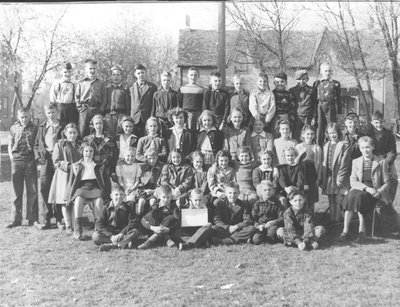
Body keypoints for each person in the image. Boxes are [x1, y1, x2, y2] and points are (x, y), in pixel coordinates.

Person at [339, 136, 389, 242]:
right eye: (362, 148)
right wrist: (366, 188)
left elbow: (387, 182)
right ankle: (346, 230)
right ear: (359, 149)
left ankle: (360, 229)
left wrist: (378, 191)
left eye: (367, 147)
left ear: (372, 147)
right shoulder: (356, 161)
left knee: (356, 196)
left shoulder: (381, 162)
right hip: (361, 188)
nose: (365, 150)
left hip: (374, 192)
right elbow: (353, 181)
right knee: (352, 195)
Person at [7, 106, 39, 228]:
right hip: (17, 160)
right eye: (22, 117)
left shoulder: (35, 128)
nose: (24, 119)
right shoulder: (13, 128)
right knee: (16, 191)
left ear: (29, 116)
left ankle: (33, 219)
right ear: (18, 117)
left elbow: (37, 144)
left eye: (26, 117)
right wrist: (11, 157)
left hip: (30, 160)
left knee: (32, 191)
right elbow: (10, 144)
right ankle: (15, 219)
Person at [34, 103, 64, 229]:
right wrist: (39, 161)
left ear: (57, 112)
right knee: (44, 188)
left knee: (58, 188)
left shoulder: (63, 126)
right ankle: (46, 218)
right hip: (45, 160)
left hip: (59, 160)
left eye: (53, 112)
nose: (51, 115)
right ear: (46, 114)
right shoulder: (42, 127)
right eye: (48, 113)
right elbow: (36, 145)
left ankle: (58, 218)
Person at [48, 123, 81, 234]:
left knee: (75, 200)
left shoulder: (80, 145)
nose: (72, 135)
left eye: (74, 133)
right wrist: (69, 166)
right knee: (65, 201)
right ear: (65, 133)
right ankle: (68, 225)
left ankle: (75, 224)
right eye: (70, 133)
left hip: (77, 175)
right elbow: (56, 161)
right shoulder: (60, 145)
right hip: (64, 175)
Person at [68, 142, 106, 240]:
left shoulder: (99, 165)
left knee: (99, 201)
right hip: (82, 188)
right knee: (78, 200)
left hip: (95, 187)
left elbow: (105, 181)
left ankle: (98, 228)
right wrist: (68, 196)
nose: (88, 153)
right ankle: (78, 230)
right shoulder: (77, 165)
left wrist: (107, 193)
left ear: (94, 153)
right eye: (86, 151)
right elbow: (72, 182)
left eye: (91, 151)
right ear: (82, 152)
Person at [92, 185, 141, 251]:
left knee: (135, 232)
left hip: (122, 232)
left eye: (121, 194)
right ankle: (124, 243)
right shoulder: (105, 207)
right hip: (110, 232)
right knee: (95, 236)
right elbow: (99, 224)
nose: (119, 197)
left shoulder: (128, 207)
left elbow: (132, 222)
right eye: (116, 195)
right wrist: (110, 236)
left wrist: (121, 233)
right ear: (111, 196)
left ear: (124, 196)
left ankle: (114, 245)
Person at [83, 114, 118, 199]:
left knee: (105, 193)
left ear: (104, 124)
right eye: (96, 124)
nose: (98, 126)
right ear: (93, 125)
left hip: (105, 169)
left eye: (100, 123)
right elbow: (84, 155)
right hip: (92, 169)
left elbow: (114, 156)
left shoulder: (109, 139)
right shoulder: (87, 139)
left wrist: (112, 170)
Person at [321, 122, 351, 222]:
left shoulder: (344, 145)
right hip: (329, 178)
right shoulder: (326, 145)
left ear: (338, 132)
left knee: (338, 200)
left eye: (334, 132)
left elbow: (344, 164)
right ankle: (332, 220)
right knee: (331, 200)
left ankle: (337, 222)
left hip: (338, 178)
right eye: (329, 133)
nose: (332, 135)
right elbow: (324, 162)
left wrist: (340, 179)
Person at [368, 110, 397, 204]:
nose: (379, 124)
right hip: (374, 162)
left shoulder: (389, 134)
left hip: (387, 162)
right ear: (372, 122)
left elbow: (392, 151)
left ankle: (388, 204)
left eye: (381, 122)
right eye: (376, 122)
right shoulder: (369, 134)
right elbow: (368, 149)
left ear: (383, 121)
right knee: (375, 184)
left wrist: (386, 162)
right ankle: (375, 205)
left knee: (393, 181)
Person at [138, 185, 180, 249]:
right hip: (155, 229)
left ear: (171, 197)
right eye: (164, 197)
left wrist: (168, 229)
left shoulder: (174, 207)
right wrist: (153, 228)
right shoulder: (155, 207)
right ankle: (166, 239)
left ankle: (150, 241)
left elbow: (178, 222)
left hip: (169, 231)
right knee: (151, 216)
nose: (166, 200)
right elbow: (143, 219)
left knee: (171, 217)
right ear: (159, 196)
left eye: (168, 197)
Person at [75, 59, 107, 137]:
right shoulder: (81, 82)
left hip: (97, 108)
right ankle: (83, 146)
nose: (92, 71)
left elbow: (104, 97)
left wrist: (101, 109)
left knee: (96, 130)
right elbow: (77, 97)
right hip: (84, 109)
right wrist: (80, 107)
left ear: (97, 69)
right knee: (83, 130)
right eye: (90, 68)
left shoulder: (101, 83)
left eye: (94, 68)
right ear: (86, 69)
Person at [313, 62, 342, 146]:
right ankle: (319, 147)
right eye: (325, 71)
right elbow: (314, 99)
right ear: (321, 72)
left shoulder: (336, 83)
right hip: (320, 107)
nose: (328, 73)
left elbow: (339, 99)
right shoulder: (317, 83)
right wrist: (314, 114)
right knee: (320, 128)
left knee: (331, 127)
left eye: (329, 71)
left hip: (331, 107)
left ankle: (332, 146)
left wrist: (339, 113)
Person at [295, 125, 322, 212]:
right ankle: (301, 214)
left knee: (311, 196)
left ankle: (311, 215)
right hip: (302, 174)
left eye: (311, 134)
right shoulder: (298, 147)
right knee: (302, 194)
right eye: (307, 134)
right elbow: (295, 162)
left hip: (312, 174)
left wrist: (318, 178)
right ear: (303, 134)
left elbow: (320, 164)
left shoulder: (317, 148)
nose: (309, 136)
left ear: (314, 135)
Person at [252, 180, 284, 244]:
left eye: (269, 190)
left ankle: (270, 238)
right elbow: (253, 218)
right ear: (261, 192)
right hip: (261, 226)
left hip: (272, 226)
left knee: (272, 233)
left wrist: (273, 222)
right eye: (265, 190)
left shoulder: (276, 203)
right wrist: (258, 226)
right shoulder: (257, 204)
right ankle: (261, 238)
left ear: (272, 191)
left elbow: (282, 217)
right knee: (256, 239)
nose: (267, 192)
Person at [129, 64, 157, 138]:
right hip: (134, 118)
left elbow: (154, 104)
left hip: (147, 118)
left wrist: (152, 117)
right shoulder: (131, 87)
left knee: (146, 139)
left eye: (142, 72)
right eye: (138, 73)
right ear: (135, 74)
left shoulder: (152, 87)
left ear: (145, 73)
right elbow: (129, 104)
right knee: (134, 139)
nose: (141, 75)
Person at [289, 69, 316, 142]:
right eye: (299, 79)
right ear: (296, 80)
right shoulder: (292, 90)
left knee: (308, 135)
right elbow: (291, 106)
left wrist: (314, 117)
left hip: (308, 116)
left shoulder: (312, 90)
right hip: (297, 117)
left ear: (307, 79)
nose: (302, 81)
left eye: (304, 79)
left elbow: (314, 104)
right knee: (296, 136)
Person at [135, 149, 164, 216]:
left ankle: (152, 220)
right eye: (149, 158)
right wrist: (143, 190)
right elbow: (139, 182)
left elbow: (162, 183)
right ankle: (140, 220)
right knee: (141, 202)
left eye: (154, 158)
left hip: (156, 189)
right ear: (146, 158)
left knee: (152, 202)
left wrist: (154, 191)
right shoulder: (142, 167)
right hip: (143, 189)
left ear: (157, 157)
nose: (152, 161)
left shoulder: (161, 167)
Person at [104, 65, 130, 138]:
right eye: (114, 75)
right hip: (109, 115)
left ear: (121, 76)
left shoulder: (124, 89)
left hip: (121, 115)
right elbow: (104, 102)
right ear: (111, 76)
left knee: (119, 135)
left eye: (118, 75)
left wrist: (127, 116)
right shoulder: (107, 89)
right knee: (109, 135)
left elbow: (128, 104)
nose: (116, 77)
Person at [152, 71, 179, 137]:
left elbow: (177, 108)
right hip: (160, 120)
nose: (166, 82)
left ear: (171, 81)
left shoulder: (175, 94)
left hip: (171, 122)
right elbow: (153, 108)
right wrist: (152, 120)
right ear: (161, 81)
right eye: (164, 80)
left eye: (168, 80)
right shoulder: (156, 94)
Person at [270, 72, 297, 138]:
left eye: (282, 82)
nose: (280, 84)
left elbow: (292, 108)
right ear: (274, 83)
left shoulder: (289, 94)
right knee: (275, 135)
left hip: (285, 116)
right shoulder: (271, 94)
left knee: (285, 134)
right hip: (274, 117)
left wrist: (291, 120)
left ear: (286, 82)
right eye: (277, 82)